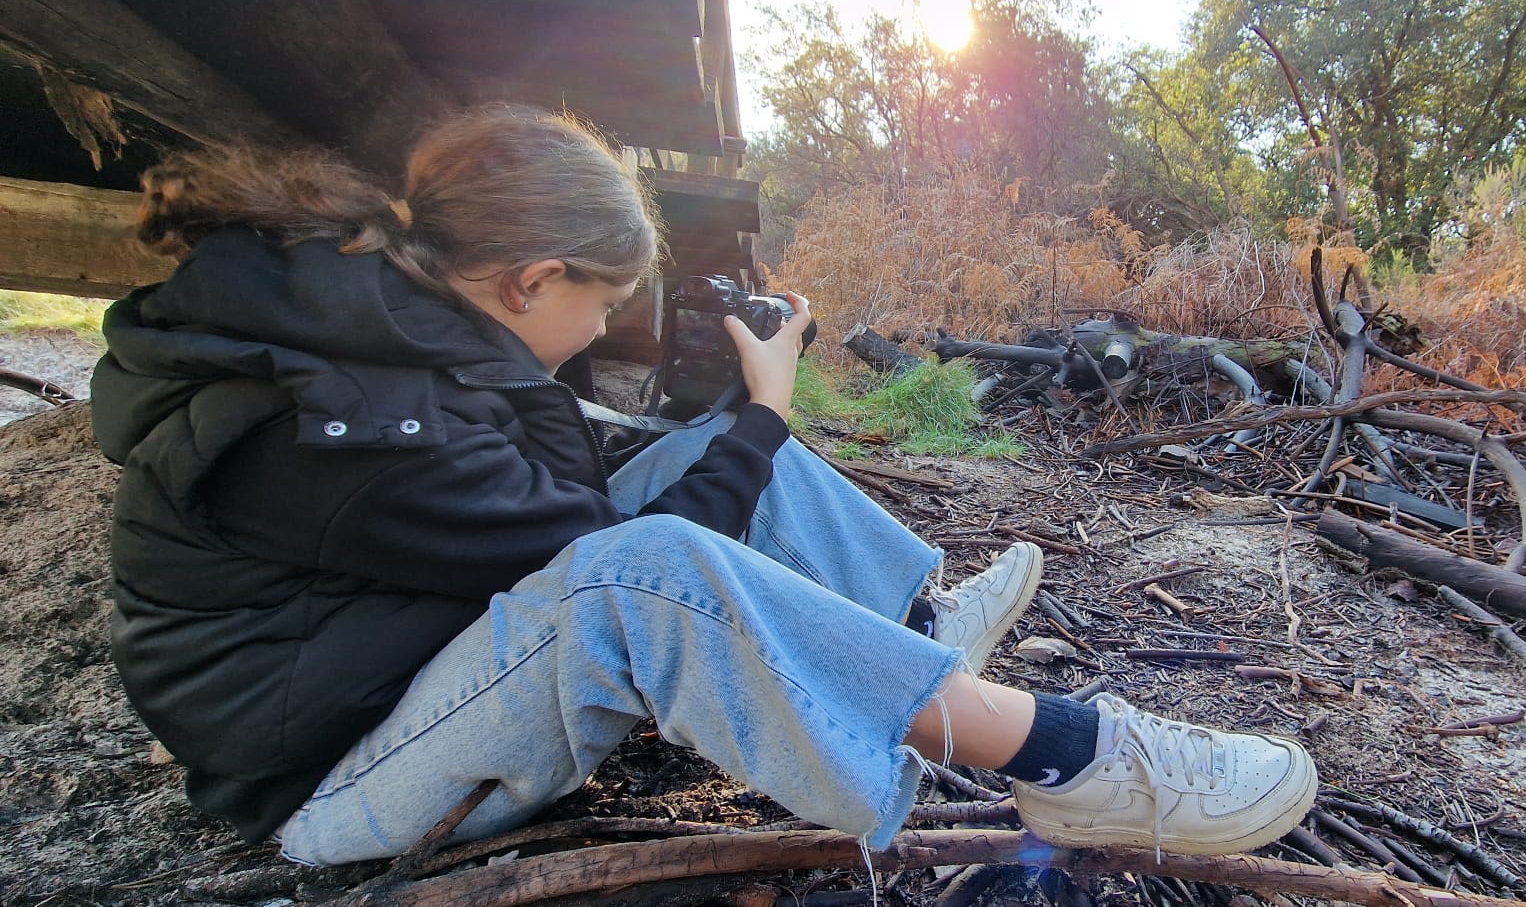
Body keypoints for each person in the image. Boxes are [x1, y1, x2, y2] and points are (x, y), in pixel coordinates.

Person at [90, 105, 1319, 867]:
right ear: (531, 280)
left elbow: (565, 495)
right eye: (603, 304)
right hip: (332, 781)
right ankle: (1068, 764)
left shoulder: (383, 337)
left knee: (694, 460)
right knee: (658, 558)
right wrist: (768, 409)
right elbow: (610, 562)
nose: (601, 327)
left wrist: (724, 420)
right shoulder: (341, 421)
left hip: (394, 663)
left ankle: (908, 643)